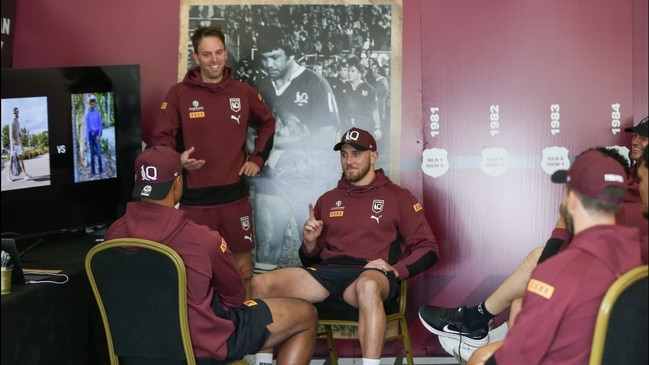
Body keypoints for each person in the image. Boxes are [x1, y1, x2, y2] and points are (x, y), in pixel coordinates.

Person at [418, 146, 648, 362]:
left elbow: (517, 357)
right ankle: (479, 324)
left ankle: (476, 325)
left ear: (573, 200)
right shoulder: (637, 254)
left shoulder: (558, 273)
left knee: (481, 358)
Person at [105, 146, 317, 364]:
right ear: (178, 182)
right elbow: (235, 298)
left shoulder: (112, 237)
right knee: (305, 315)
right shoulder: (203, 240)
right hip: (200, 347)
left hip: (132, 350)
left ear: (136, 180)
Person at [251, 127, 439, 365]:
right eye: (344, 154)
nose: (349, 161)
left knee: (369, 286)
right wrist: (309, 244)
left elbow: (429, 248)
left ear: (373, 156)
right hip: (328, 274)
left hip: (368, 274)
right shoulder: (327, 199)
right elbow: (311, 261)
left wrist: (396, 270)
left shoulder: (398, 196)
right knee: (260, 284)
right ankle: (262, 362)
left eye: (356, 154)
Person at [153, 25, 276, 298]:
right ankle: (205, 337)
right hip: (195, 203)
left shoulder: (242, 92)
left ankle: (245, 334)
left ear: (226, 52)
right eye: (207, 54)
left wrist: (257, 158)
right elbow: (161, 139)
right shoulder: (178, 94)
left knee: (243, 271)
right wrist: (177, 161)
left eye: (219, 52)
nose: (214, 60)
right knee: (197, 274)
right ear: (196, 57)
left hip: (234, 200)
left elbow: (268, 123)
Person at [250, 24, 340, 274]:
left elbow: (327, 138)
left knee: (316, 249)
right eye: (265, 58)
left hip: (310, 180)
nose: (269, 64)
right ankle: (265, 311)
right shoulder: (259, 87)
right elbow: (248, 134)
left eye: (275, 57)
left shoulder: (315, 84)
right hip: (270, 178)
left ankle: (320, 308)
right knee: (266, 249)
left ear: (291, 54)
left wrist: (277, 142)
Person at [337, 57, 382, 141]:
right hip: (346, 128)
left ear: (359, 73)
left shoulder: (369, 89)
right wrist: (338, 130)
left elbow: (374, 110)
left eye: (352, 71)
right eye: (349, 71)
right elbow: (339, 110)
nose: (349, 73)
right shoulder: (343, 87)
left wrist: (377, 128)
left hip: (364, 127)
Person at [7, 107, 30, 182]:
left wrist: (20, 135)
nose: (18, 113)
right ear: (14, 113)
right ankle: (8, 176)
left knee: (21, 159)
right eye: (17, 112)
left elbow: (17, 132)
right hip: (14, 144)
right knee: (12, 160)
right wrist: (12, 146)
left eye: (18, 112)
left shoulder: (18, 121)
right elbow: (11, 134)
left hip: (18, 144)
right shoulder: (12, 121)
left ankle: (25, 174)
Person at [86, 98, 104, 177]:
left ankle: (101, 171)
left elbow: (100, 126)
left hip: (96, 135)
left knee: (99, 155)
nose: (92, 104)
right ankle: (93, 172)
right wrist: (87, 140)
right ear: (89, 104)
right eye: (91, 103)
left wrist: (98, 136)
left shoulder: (98, 113)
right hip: (90, 136)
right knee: (92, 156)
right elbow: (87, 127)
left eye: (93, 102)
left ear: (95, 104)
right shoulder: (88, 114)